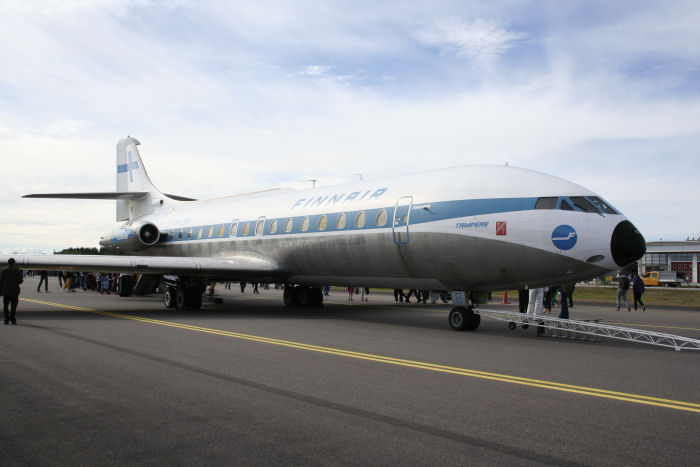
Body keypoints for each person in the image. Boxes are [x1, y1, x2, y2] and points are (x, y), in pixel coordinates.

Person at [1, 258, 23, 325]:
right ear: (14, 263)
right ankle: (13, 320)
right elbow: (20, 281)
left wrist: (1, 291)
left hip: (6, 291)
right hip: (14, 291)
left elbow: (1, 282)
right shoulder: (17, 270)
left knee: (5, 306)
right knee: (13, 306)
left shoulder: (4, 271)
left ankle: (6, 320)